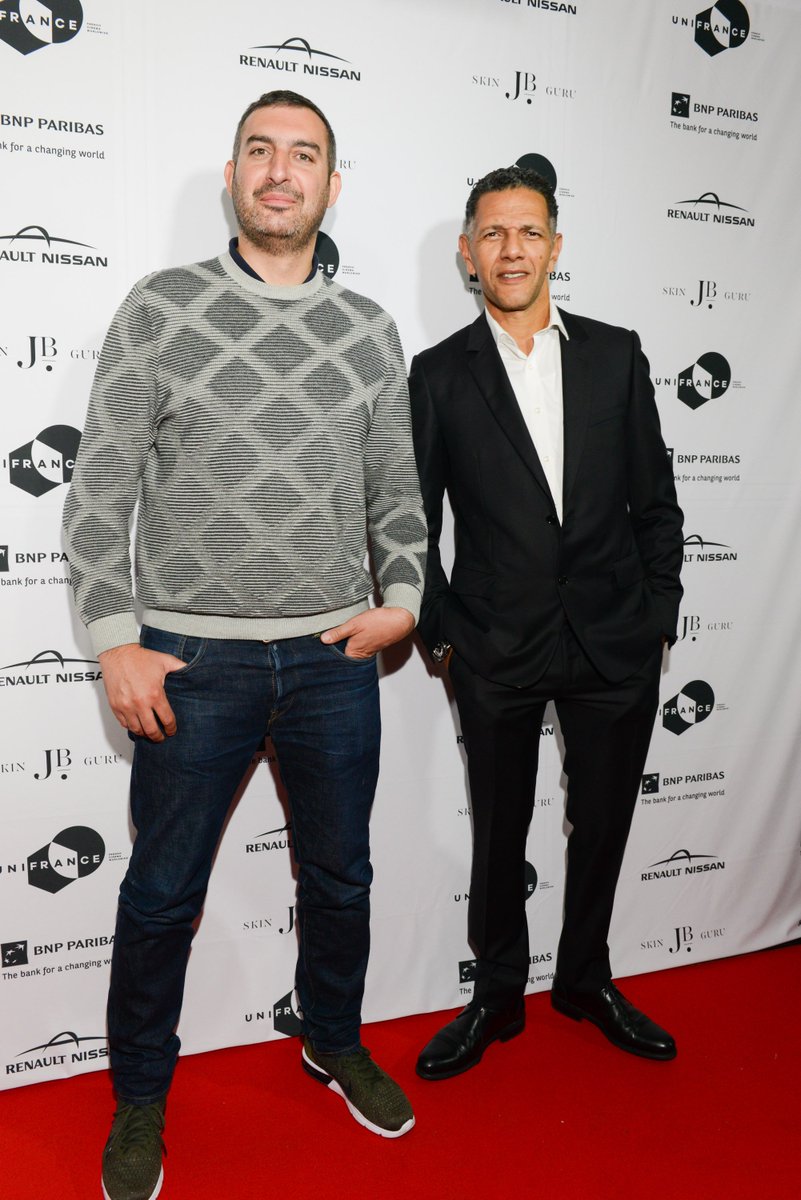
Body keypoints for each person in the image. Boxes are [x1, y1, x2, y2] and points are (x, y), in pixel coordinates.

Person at [63, 90, 426, 1200]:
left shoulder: (367, 328)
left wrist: (403, 595)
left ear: (332, 182)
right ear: (232, 176)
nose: (281, 171)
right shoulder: (162, 307)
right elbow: (98, 486)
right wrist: (114, 637)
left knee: (343, 876)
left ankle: (333, 1036)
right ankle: (140, 1098)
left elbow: (398, 498)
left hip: (330, 657)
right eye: (260, 152)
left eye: (303, 154)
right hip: (191, 660)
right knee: (164, 890)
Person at [409, 166, 684, 1082]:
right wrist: (443, 635)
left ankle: (584, 979)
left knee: (601, 823)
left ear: (555, 247)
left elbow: (656, 501)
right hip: (494, 647)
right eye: (492, 234)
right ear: (467, 253)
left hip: (614, 643)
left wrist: (657, 616)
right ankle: (495, 995)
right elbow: (411, 523)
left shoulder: (616, 354)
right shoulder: (440, 374)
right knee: (498, 829)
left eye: (528, 232)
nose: (511, 249)